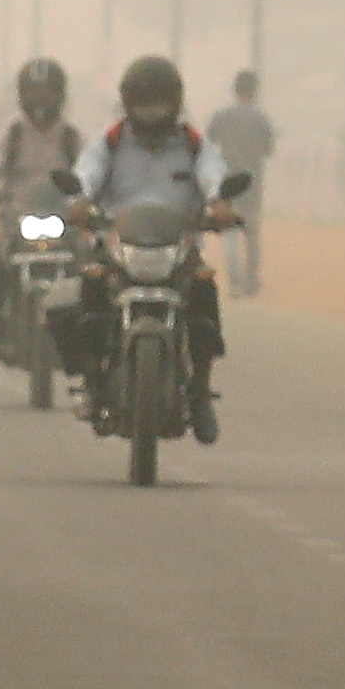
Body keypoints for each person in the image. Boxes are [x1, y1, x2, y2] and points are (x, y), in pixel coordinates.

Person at [72, 55, 237, 442]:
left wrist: (220, 203)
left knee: (204, 294)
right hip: (118, 245)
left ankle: (199, 393)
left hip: (178, 247)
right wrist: (79, 200)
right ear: (128, 103)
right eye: (144, 103)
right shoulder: (109, 143)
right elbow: (86, 173)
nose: (152, 113)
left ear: (175, 103)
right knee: (90, 292)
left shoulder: (194, 144)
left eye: (159, 103)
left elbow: (214, 174)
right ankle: (93, 382)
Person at [0, 59, 86, 363]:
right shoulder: (13, 134)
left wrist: (90, 199)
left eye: (46, 94)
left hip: (62, 219)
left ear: (60, 96)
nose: (40, 101)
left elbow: (90, 173)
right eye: (33, 93)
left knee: (89, 259)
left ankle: (86, 327)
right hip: (17, 217)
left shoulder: (72, 138)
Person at [205, 70, 277, 294]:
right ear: (255, 91)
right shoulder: (262, 119)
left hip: (229, 182)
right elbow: (269, 149)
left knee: (230, 233)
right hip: (253, 182)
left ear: (235, 90)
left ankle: (234, 282)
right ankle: (251, 281)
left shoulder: (222, 116)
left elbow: (209, 141)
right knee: (252, 233)